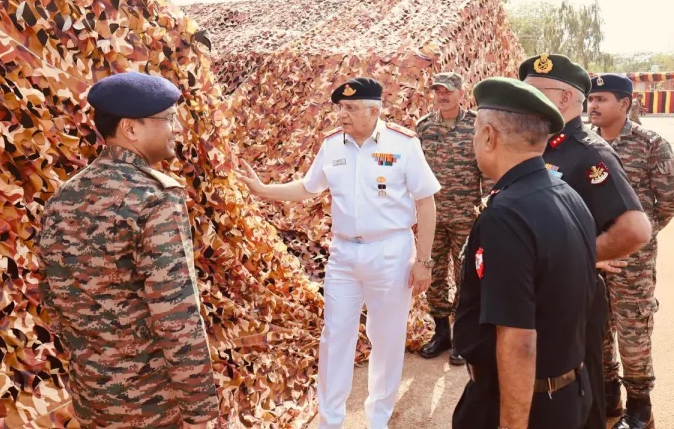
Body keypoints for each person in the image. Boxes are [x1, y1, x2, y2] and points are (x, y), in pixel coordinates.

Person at [235, 77, 441, 429]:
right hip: (344, 253)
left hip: (391, 251)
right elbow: (308, 187)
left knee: (387, 337)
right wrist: (263, 190)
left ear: (374, 110)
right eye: (340, 108)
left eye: (350, 108)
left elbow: (426, 202)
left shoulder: (403, 145)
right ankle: (331, 421)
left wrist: (422, 262)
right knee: (335, 336)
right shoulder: (332, 145)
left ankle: (378, 419)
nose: (341, 115)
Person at [37, 72, 219, 429]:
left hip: (93, 397)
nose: (177, 128)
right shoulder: (155, 197)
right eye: (168, 119)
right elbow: (177, 316)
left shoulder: (64, 196)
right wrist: (200, 414)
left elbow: (53, 297)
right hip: (152, 403)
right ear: (130, 129)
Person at [452, 77, 597, 429]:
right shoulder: (565, 193)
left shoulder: (506, 215)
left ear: (489, 136)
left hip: (523, 405)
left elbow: (518, 339)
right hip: (568, 394)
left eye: (475, 132)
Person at [519, 54, 652, 429]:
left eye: (533, 92)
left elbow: (634, 229)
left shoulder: (588, 152)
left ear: (563, 99)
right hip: (539, 289)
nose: (523, 100)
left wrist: (580, 254)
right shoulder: (539, 143)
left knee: (578, 385)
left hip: (571, 291)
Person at [588, 73, 674, 429]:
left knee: (633, 330)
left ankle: (640, 406)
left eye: (602, 100)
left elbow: (669, 201)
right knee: (596, 325)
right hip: (594, 254)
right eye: (591, 100)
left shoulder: (650, 144)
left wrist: (635, 239)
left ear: (625, 104)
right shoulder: (585, 145)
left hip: (632, 260)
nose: (593, 106)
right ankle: (608, 393)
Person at [415, 72, 484, 366]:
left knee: (465, 276)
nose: (442, 96)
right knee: (433, 274)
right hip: (432, 217)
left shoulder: (476, 125)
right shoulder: (423, 127)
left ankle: (462, 337)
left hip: (466, 214)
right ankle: (441, 332)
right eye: (438, 91)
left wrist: (491, 204)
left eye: (448, 91)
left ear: (461, 93)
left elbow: (488, 168)